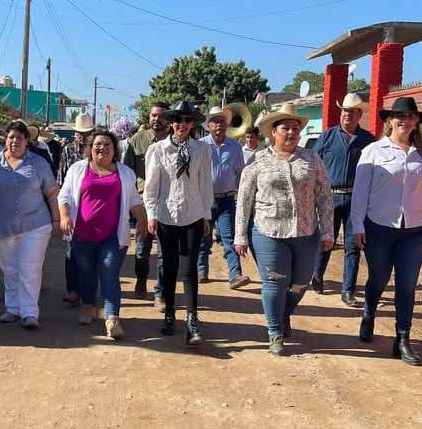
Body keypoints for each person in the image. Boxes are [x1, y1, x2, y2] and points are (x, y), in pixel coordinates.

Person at [234, 103, 334, 356]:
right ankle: (275, 331)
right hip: (269, 231)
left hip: (306, 232)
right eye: (285, 128)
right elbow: (244, 200)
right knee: (274, 283)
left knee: (300, 283)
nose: (291, 132)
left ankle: (283, 314)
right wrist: (240, 235)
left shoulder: (311, 159)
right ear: (273, 132)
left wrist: (328, 231)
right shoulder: (258, 160)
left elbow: (324, 196)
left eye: (295, 128)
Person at [352, 97, 422, 366]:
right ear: (389, 120)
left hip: (415, 230)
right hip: (380, 227)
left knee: (407, 284)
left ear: (416, 121)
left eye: (411, 116)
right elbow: (360, 192)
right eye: (400, 115)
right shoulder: (374, 151)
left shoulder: (420, 153)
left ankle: (402, 339)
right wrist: (357, 226)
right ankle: (369, 313)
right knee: (378, 278)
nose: (405, 120)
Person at [58, 129, 147, 339]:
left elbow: (134, 199)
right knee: (86, 273)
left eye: (107, 144)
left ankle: (112, 318)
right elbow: (65, 195)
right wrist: (64, 216)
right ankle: (89, 306)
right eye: (98, 144)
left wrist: (143, 220)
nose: (102, 148)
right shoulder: (78, 169)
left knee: (109, 272)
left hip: (112, 236)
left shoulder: (125, 173)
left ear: (114, 149)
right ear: (91, 148)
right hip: (82, 234)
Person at [143, 101, 213, 345]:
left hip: (193, 213)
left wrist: (206, 214)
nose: (181, 125)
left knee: (189, 268)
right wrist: (151, 214)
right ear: (170, 123)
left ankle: (192, 320)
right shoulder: (159, 150)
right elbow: (152, 185)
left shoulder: (201, 150)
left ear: (193, 124)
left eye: (186, 120)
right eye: (177, 120)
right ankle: (170, 314)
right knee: (169, 267)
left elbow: (205, 184)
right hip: (166, 214)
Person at [0, 121, 60, 330]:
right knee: (9, 269)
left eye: (20, 138)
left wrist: (57, 219)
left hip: (35, 224)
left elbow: (51, 192)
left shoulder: (39, 163)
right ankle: (13, 308)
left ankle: (29, 312)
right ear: (5, 140)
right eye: (11, 137)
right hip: (3, 226)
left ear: (27, 141)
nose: (15, 141)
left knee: (29, 268)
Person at [311, 93, 376, 306]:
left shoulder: (368, 141)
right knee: (326, 241)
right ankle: (317, 275)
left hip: (356, 199)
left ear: (359, 114)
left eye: (351, 111)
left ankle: (348, 291)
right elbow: (313, 167)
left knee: (353, 246)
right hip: (329, 197)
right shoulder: (327, 136)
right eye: (344, 110)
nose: (346, 114)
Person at [198, 106, 250, 289]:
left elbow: (241, 174)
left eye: (222, 121)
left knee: (229, 238)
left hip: (227, 200)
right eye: (215, 121)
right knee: (203, 238)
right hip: (205, 200)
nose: (219, 125)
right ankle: (201, 270)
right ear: (209, 125)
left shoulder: (235, 147)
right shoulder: (200, 146)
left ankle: (235, 274)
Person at [124, 102, 170, 309]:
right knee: (142, 248)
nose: (156, 120)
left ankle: (160, 292)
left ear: (168, 119)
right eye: (153, 116)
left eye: (160, 116)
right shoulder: (137, 140)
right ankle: (141, 280)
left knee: (165, 250)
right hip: (143, 202)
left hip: (169, 203)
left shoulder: (176, 141)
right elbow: (127, 172)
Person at [59, 113, 95, 305]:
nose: (82, 136)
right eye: (79, 133)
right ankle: (72, 289)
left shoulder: (98, 151)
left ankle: (88, 290)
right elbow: (61, 177)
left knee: (91, 252)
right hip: (73, 206)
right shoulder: (68, 150)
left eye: (86, 133)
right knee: (71, 252)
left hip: (93, 209)